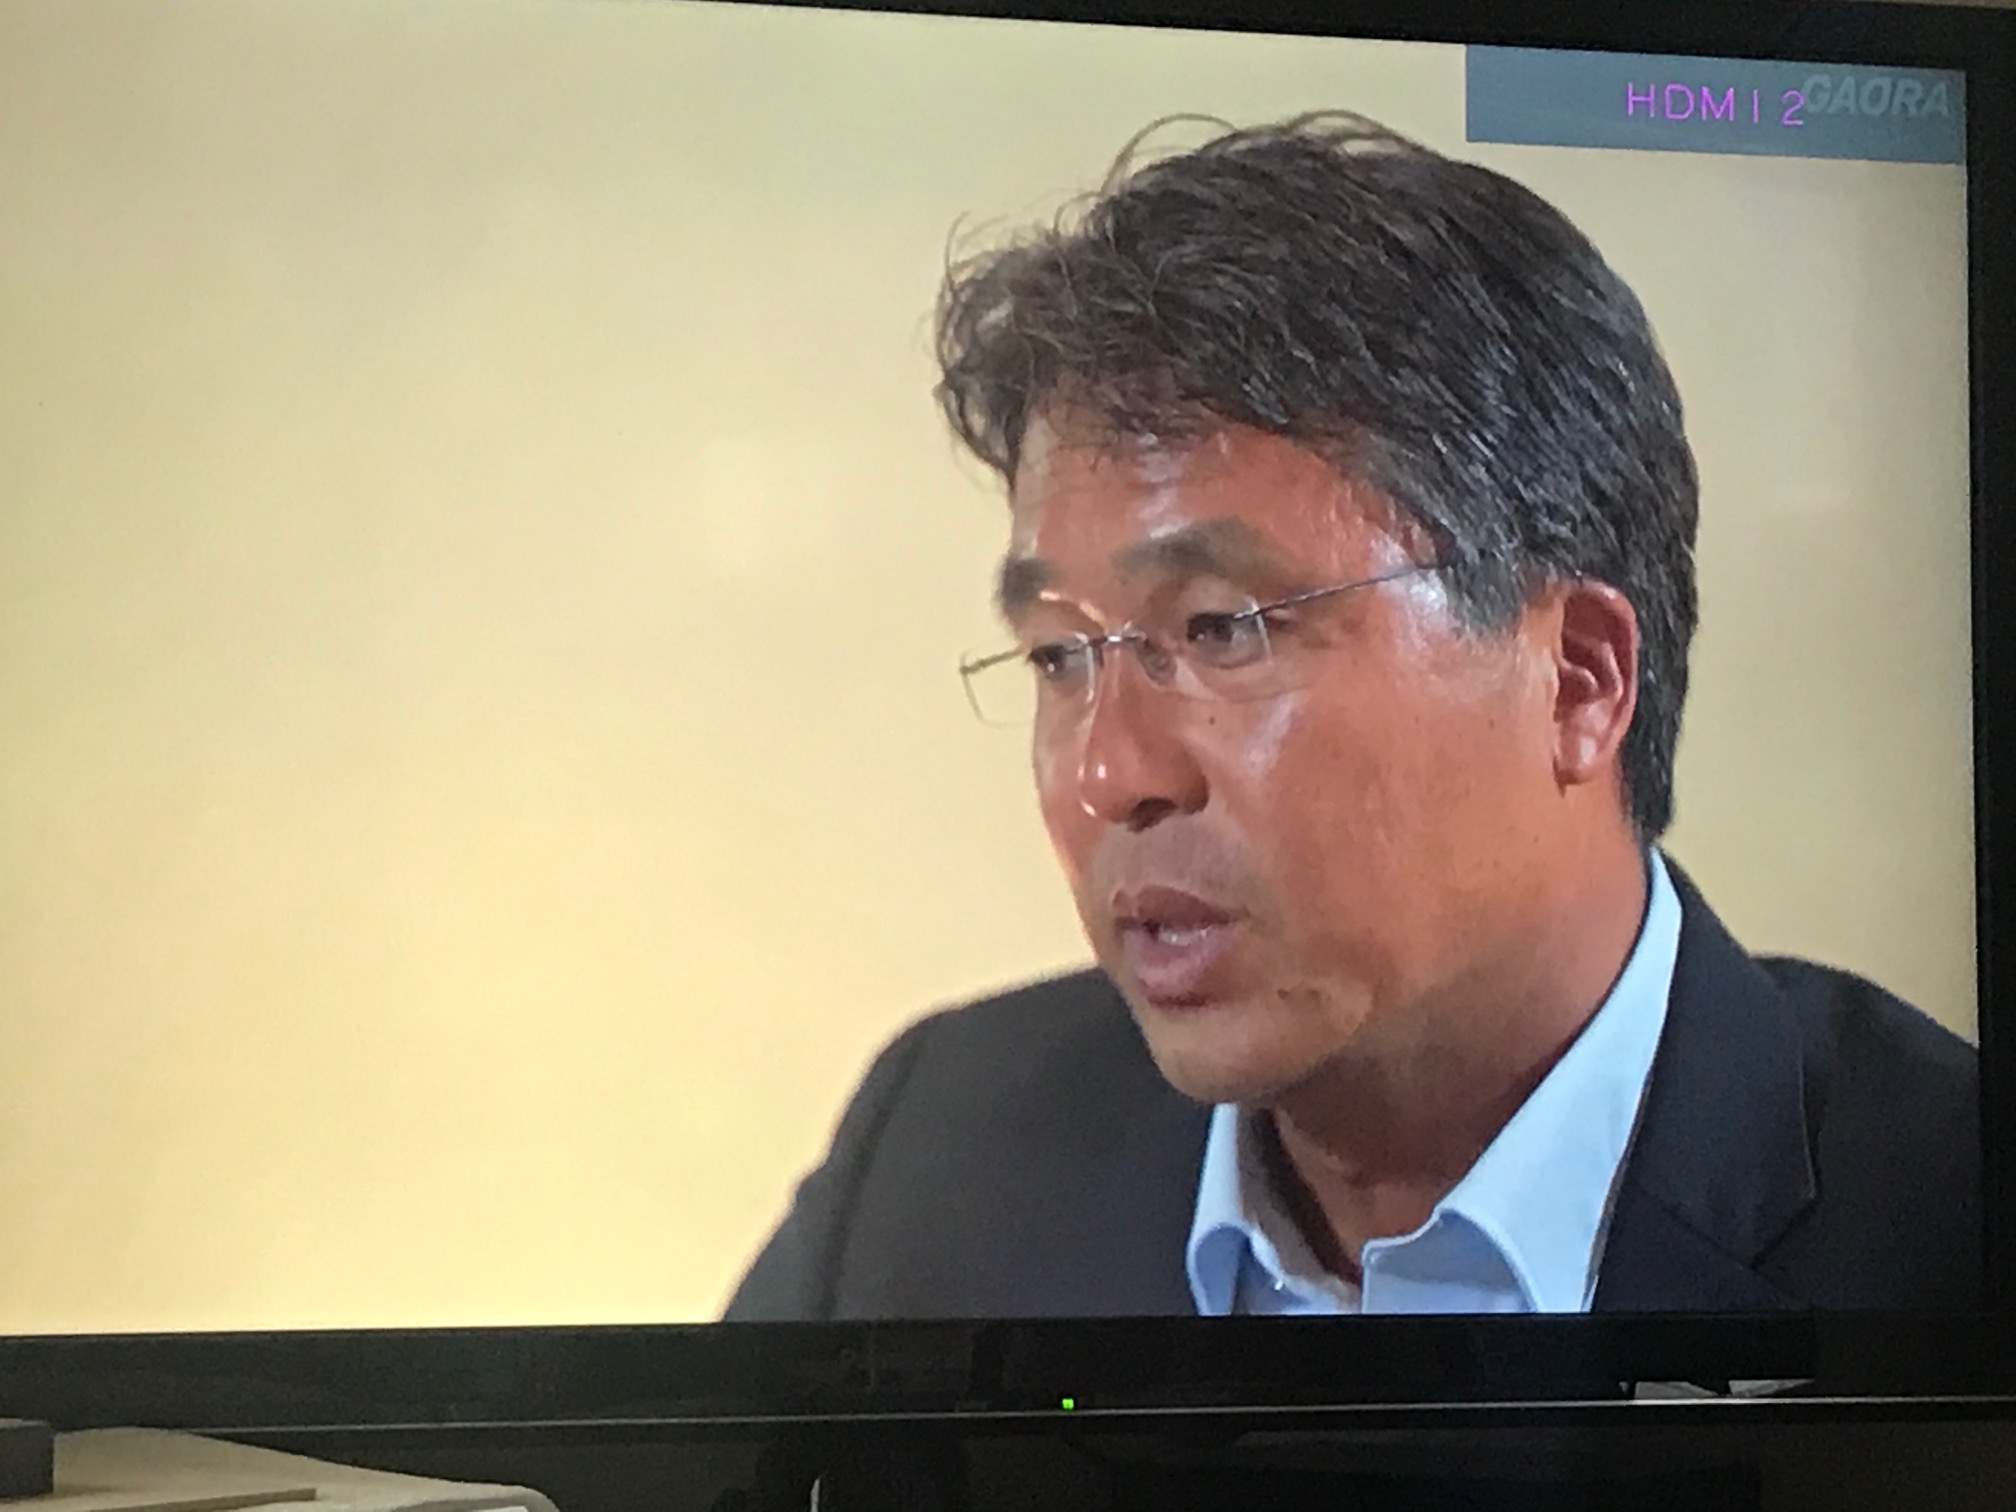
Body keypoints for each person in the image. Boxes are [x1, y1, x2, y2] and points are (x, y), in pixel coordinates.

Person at [724, 113, 1978, 1319]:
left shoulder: (1950, 1214)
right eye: (1059, 656)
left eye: (1222, 630)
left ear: (1577, 679)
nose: (1110, 773)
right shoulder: (935, 1163)